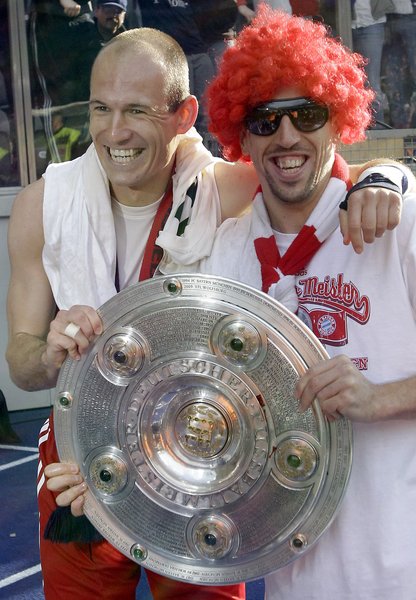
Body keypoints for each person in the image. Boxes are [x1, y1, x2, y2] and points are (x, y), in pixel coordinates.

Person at [6, 23, 408, 600]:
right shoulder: (44, 206)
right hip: (85, 454)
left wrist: (388, 174)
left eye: (137, 110)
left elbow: (322, 175)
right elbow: (21, 366)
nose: (115, 131)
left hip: (199, 454)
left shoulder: (226, 194)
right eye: (100, 109)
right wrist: (51, 356)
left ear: (185, 115)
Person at [201, 7, 416, 598]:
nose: (288, 136)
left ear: (339, 120)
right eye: (265, 119)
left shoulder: (399, 223)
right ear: (242, 136)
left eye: (308, 114)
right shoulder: (226, 252)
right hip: (294, 582)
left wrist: (380, 398)